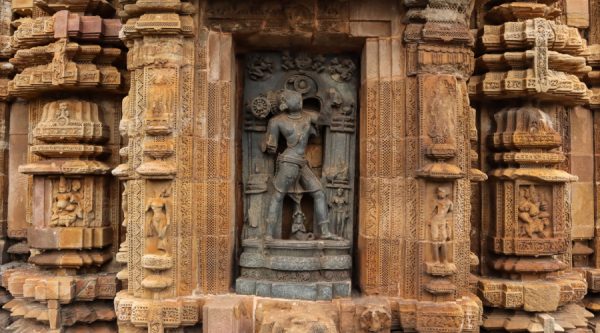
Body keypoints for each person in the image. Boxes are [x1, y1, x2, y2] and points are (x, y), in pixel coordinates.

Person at [262, 90, 339, 240]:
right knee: (278, 195)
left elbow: (324, 120)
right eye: (293, 98)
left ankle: (325, 232)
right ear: (284, 103)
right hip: (289, 162)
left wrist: (329, 101)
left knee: (319, 193)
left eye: (299, 97)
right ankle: (269, 234)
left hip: (301, 162)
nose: (299, 99)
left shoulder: (308, 116)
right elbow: (271, 147)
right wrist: (268, 144)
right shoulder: (277, 121)